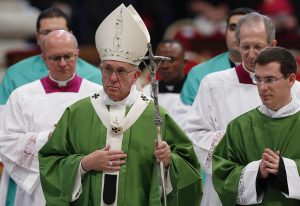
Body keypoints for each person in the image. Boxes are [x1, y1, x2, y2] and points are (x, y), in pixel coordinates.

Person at [39, 4, 202, 206]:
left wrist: (169, 162)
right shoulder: (77, 112)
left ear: (135, 76)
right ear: (100, 69)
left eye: (121, 71)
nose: (113, 78)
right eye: (107, 69)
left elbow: (190, 171)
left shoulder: (155, 115)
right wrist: (83, 164)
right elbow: (49, 163)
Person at [185, 12, 300, 206]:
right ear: (237, 45)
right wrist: (235, 142)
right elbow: (192, 136)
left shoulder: (295, 88)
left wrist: (283, 168)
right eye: (245, 47)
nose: (251, 54)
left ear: (272, 45)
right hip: (227, 189)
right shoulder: (213, 83)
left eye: (258, 46)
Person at [0, 30, 101, 206]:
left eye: (68, 56)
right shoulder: (22, 96)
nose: (63, 63)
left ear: (77, 54)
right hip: (37, 185)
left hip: (85, 181)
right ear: (44, 58)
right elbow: (6, 142)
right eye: (55, 58)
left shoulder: (97, 94)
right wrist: (48, 138)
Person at [213, 46, 300, 205]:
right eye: (258, 79)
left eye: (270, 80)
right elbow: (222, 176)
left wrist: (286, 170)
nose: (262, 87)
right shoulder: (239, 126)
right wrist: (257, 173)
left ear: (291, 79)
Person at [0, 7, 102, 113]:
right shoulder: (15, 75)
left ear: (70, 35)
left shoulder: (95, 76)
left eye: (60, 31)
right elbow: (3, 117)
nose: (54, 37)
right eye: (46, 32)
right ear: (37, 37)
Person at [180, 7, 255, 105]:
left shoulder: (275, 73)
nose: (238, 34)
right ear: (225, 33)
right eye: (233, 28)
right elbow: (187, 116)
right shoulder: (199, 74)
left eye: (246, 28)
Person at [143, 39, 187, 122]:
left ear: (184, 62)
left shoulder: (196, 91)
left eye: (171, 60)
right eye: (160, 60)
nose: (164, 66)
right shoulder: (148, 92)